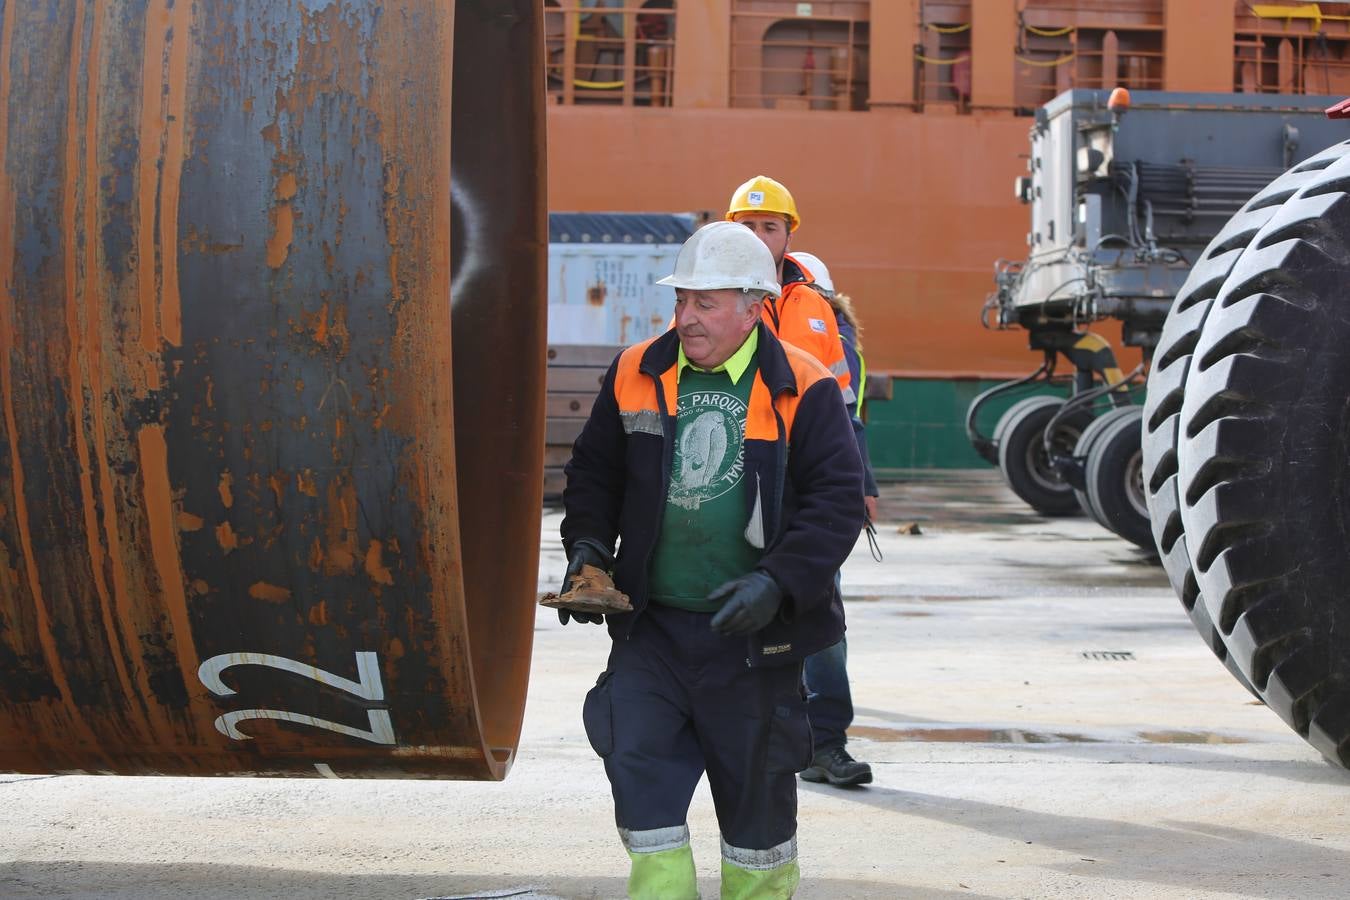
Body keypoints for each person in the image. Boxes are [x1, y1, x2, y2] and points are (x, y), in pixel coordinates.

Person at [560, 220, 864, 899]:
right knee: (637, 769)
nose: (686, 318)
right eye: (681, 300)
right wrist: (586, 550)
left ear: (755, 306)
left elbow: (836, 503)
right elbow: (594, 477)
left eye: (706, 302)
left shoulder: (804, 388)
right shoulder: (637, 372)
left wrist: (777, 583)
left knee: (757, 813)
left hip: (755, 641)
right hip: (654, 632)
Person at [725, 179, 873, 787]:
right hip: (732, 476)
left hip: (807, 482)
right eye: (749, 226)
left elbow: (844, 402)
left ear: (789, 234)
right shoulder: (708, 298)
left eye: (771, 227)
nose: (760, 238)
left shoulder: (818, 311)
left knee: (819, 614)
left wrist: (858, 482)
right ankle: (737, 735)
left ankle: (825, 742)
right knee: (726, 605)